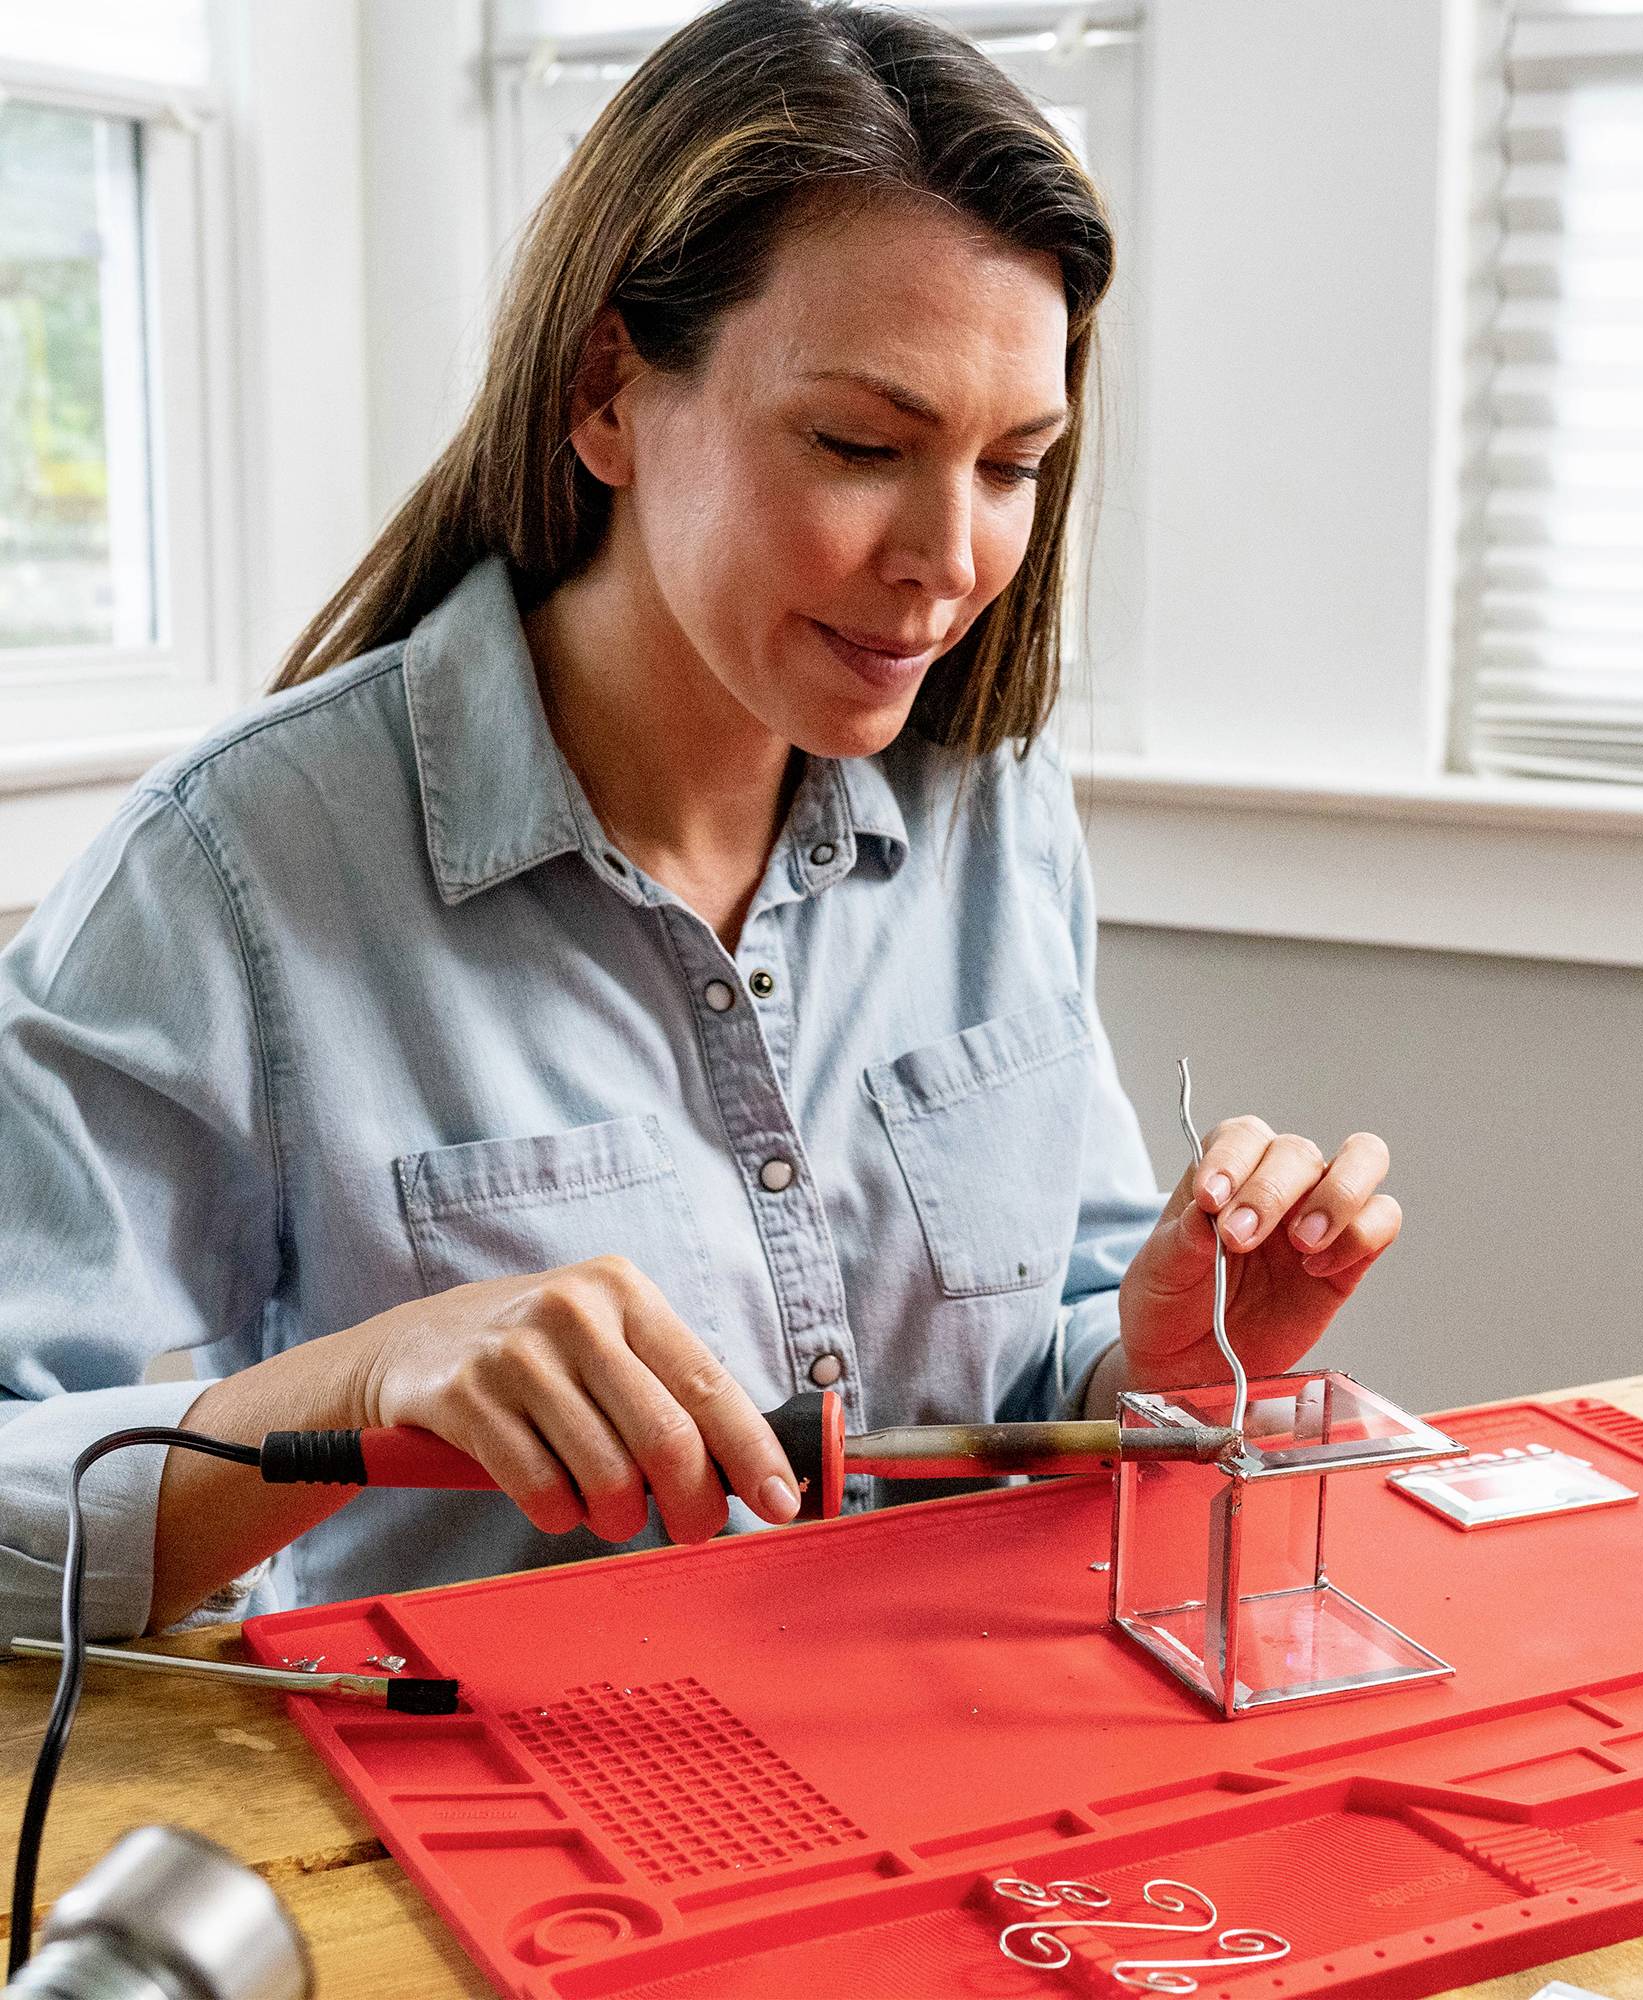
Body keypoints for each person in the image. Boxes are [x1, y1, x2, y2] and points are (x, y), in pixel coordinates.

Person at [0, 0, 1400, 1641]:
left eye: (1015, 464)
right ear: (607, 393)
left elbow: (1047, 1355)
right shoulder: (238, 873)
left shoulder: (994, 807)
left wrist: (1151, 1360)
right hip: (508, 1848)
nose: (950, 560)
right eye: (862, 445)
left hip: (965, 1791)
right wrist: (368, 1377)